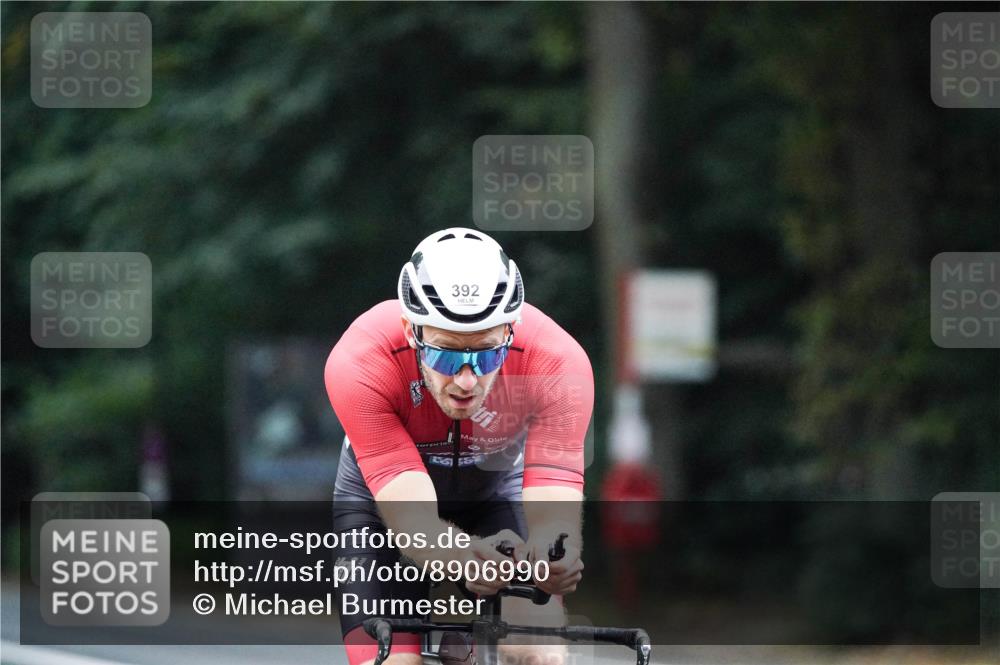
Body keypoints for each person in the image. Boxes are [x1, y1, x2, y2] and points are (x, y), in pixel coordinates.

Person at [326, 227, 594, 665]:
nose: (467, 380)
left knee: (539, 652)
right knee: (393, 660)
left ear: (511, 330)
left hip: (494, 491)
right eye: (446, 354)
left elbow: (553, 508)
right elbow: (412, 520)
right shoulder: (362, 360)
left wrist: (553, 554)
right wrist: (460, 556)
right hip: (383, 506)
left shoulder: (556, 362)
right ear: (411, 330)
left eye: (487, 353)